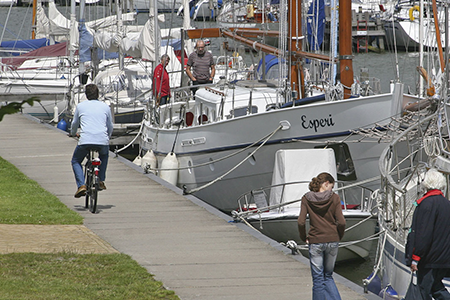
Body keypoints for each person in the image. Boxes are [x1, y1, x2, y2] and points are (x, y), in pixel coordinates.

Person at [297, 172, 345, 300]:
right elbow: (341, 222)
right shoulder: (334, 198)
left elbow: (301, 222)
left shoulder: (306, 198)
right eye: (331, 186)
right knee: (328, 276)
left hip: (315, 240)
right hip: (333, 239)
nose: (332, 189)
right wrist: (338, 235)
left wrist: (304, 237)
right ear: (326, 183)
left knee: (318, 279)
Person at [405, 168, 450, 299]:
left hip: (429, 258)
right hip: (442, 257)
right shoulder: (446, 204)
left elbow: (424, 234)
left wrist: (415, 257)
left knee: (423, 290)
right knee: (436, 287)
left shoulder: (427, 204)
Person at [70, 84, 114, 198]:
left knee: (75, 161)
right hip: (102, 140)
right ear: (98, 94)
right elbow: (110, 126)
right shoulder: (105, 107)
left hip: (85, 140)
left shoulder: (80, 106)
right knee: (104, 156)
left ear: (86, 95)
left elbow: (74, 124)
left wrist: (73, 132)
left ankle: (81, 185)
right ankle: (100, 180)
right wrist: (107, 137)